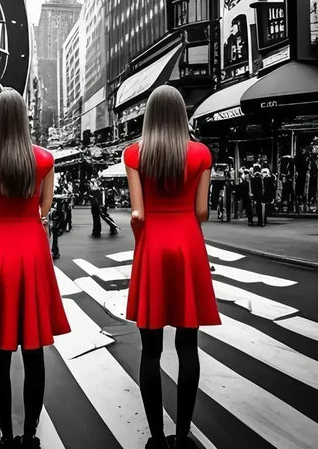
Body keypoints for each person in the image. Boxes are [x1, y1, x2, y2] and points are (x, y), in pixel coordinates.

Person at [0, 88, 70, 449]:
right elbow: (44, 210)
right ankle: (31, 433)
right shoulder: (44, 159)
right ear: (24, 118)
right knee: (34, 348)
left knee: (0, 350)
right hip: (32, 251)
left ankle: (6, 434)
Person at [123, 85, 220, 449]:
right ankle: (183, 435)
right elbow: (201, 213)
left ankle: (156, 437)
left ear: (149, 116)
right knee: (188, 344)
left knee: (150, 349)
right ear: (182, 115)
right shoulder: (200, 153)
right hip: (187, 245)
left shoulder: (134, 154)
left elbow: (137, 213)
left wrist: (143, 243)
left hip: (153, 246)